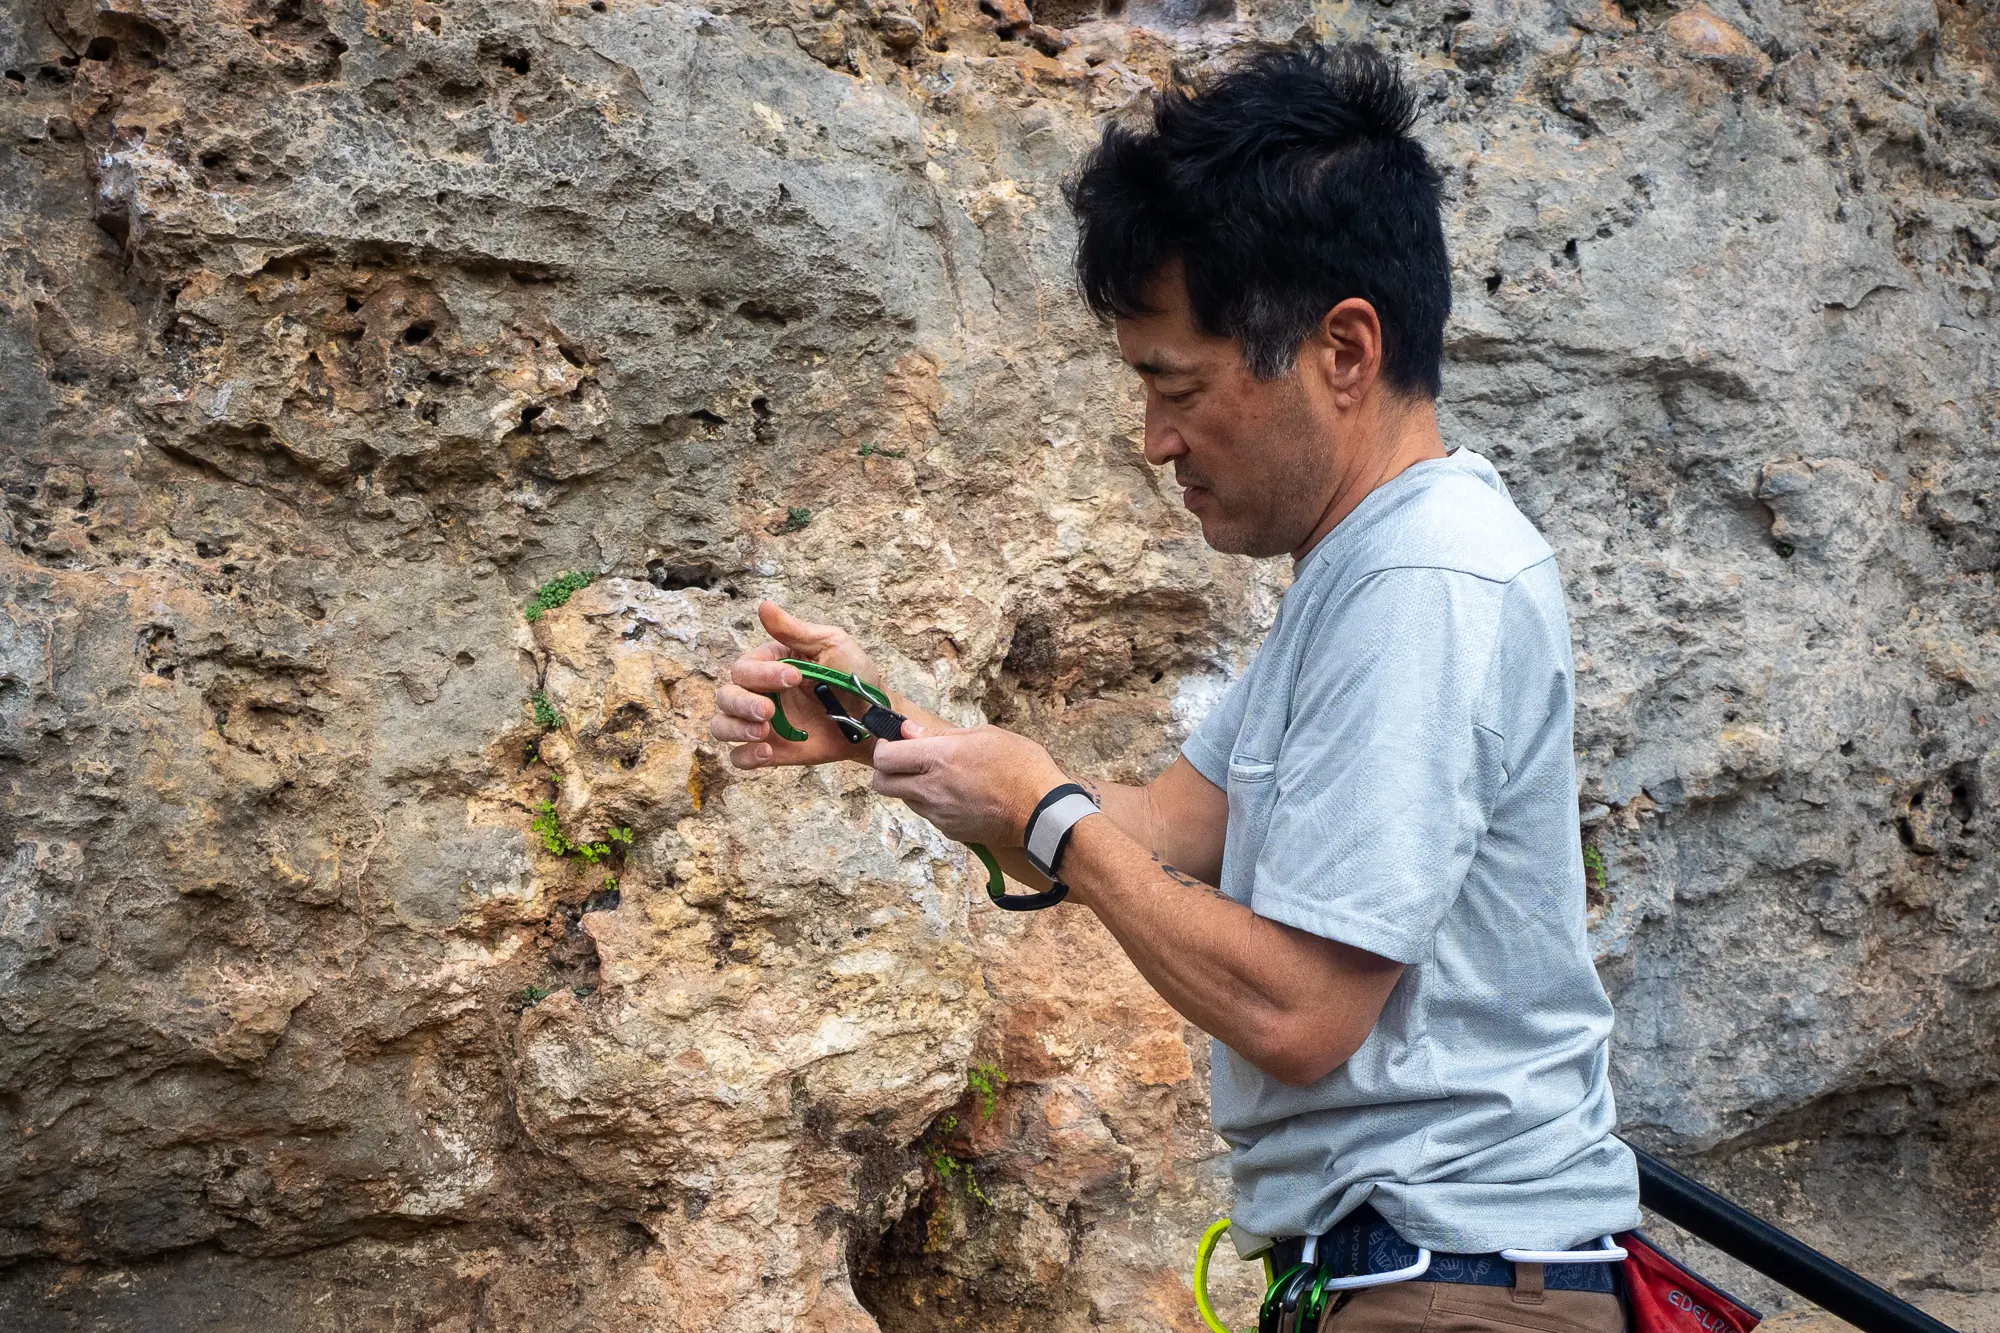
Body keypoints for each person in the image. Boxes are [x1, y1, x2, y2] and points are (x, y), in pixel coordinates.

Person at [707, 41, 1640, 1333]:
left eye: (1176, 386)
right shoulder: (1367, 569)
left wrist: (1050, 822)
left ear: (1345, 351)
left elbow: (1301, 1010)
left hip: (1452, 1290)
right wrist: (892, 732)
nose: (1155, 443)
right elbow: (1164, 823)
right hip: (1407, 1277)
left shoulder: (1430, 579)